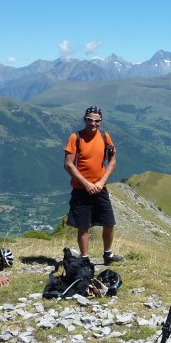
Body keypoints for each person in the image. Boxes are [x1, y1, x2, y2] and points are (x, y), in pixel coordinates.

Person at [63, 106, 124, 265]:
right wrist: (87, 184)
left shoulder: (105, 137)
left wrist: (101, 182)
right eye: (90, 120)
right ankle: (84, 258)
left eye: (97, 121)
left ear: (101, 122)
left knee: (109, 222)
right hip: (81, 190)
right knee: (83, 226)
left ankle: (108, 254)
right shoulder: (75, 137)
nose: (93, 124)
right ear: (85, 119)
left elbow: (112, 162)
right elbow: (68, 165)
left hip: (100, 188)